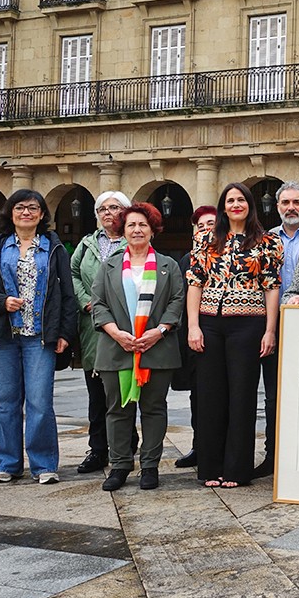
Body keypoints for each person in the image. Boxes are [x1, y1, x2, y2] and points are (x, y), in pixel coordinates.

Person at [0, 189, 76, 485]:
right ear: (10, 213)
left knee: (40, 402)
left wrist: (65, 332)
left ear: (43, 215)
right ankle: (8, 464)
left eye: (33, 208)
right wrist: (1, 302)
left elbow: (68, 296)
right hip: (4, 335)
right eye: (20, 207)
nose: (26, 212)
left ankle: (44, 466)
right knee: (4, 402)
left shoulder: (55, 249)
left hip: (40, 337)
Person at [187, 182, 283, 488]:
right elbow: (194, 282)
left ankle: (236, 470)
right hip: (209, 323)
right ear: (223, 205)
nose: (236, 204)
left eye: (241, 199)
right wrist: (192, 325)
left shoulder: (266, 241)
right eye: (230, 200)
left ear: (250, 205)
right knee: (210, 396)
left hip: (249, 324)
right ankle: (210, 467)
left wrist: (270, 330)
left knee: (242, 395)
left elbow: (272, 287)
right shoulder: (206, 238)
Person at [91, 203, 185, 491]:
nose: (137, 230)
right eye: (131, 225)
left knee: (154, 409)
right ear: (123, 230)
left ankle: (149, 466)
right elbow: (99, 304)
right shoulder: (109, 266)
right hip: (116, 348)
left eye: (143, 225)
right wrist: (116, 333)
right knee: (118, 410)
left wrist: (159, 331)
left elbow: (176, 301)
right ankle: (119, 465)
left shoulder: (168, 266)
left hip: (156, 348)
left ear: (152, 230)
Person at [256, 181, 299, 478]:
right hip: (270, 324)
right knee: (273, 394)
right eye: (285, 203)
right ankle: (273, 454)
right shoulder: (264, 239)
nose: (291, 208)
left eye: (296, 202)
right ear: (277, 206)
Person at [71, 190, 138, 475]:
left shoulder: (133, 241)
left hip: (124, 325)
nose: (108, 213)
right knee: (96, 391)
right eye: (103, 209)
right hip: (92, 327)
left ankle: (126, 442)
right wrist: (86, 300)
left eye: (115, 208)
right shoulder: (86, 245)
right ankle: (98, 448)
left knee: (124, 390)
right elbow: (73, 273)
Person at [173, 205, 216, 469]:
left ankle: (218, 447)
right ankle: (199, 446)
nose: (206, 230)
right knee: (198, 396)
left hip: (222, 333)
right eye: (200, 226)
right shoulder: (186, 260)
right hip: (194, 334)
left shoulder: (231, 254)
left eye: (211, 224)